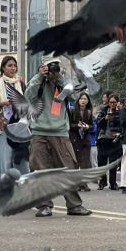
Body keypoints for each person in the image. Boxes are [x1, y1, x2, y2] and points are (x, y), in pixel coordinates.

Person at [26, 55, 92, 217]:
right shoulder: (37, 80)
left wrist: (60, 78)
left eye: (55, 65)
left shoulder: (63, 80)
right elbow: (27, 97)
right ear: (43, 67)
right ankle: (44, 205)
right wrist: (40, 76)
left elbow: (75, 96)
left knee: (68, 169)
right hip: (39, 132)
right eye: (50, 66)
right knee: (40, 171)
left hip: (60, 132)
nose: (53, 69)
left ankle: (74, 205)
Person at [0, 56, 26, 176]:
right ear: (3, 68)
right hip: (3, 127)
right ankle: (4, 186)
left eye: (15, 66)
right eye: (10, 65)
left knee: (20, 163)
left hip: (19, 128)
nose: (13, 68)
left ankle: (19, 186)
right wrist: (1, 104)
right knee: (4, 163)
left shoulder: (21, 85)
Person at [96, 94, 123, 190]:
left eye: (114, 102)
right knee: (101, 162)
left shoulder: (119, 112)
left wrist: (113, 119)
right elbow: (98, 122)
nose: (112, 104)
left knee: (113, 162)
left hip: (114, 139)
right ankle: (102, 181)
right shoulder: (103, 110)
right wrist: (105, 118)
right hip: (103, 138)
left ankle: (113, 182)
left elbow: (121, 123)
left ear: (117, 103)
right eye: (110, 102)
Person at [70, 92, 93, 192]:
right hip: (75, 139)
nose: (83, 100)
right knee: (75, 162)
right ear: (78, 100)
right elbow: (69, 125)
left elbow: (92, 125)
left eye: (85, 99)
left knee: (85, 162)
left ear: (87, 101)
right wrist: (77, 126)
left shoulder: (89, 112)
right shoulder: (72, 111)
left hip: (85, 139)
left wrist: (88, 126)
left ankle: (83, 183)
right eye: (81, 99)